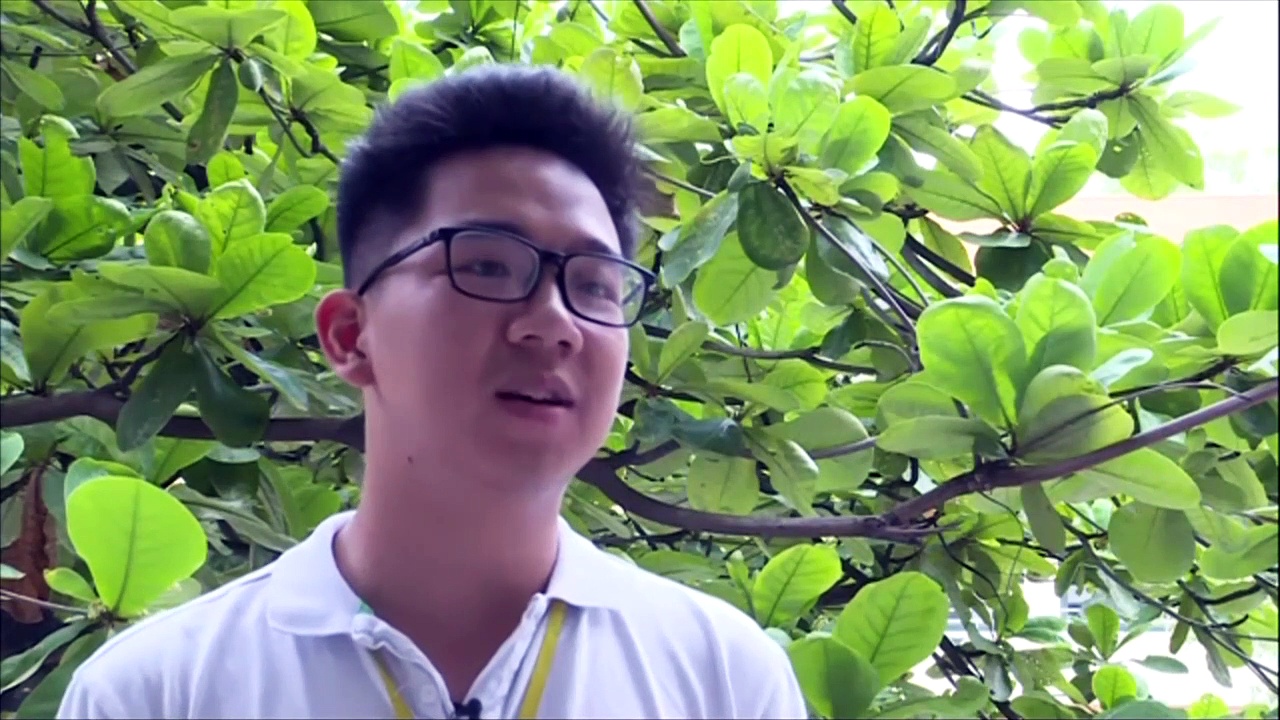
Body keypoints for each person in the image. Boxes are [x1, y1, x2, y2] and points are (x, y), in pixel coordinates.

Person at [56, 64, 809, 719]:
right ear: (350, 336)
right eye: (486, 265)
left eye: (594, 285)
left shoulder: (722, 678)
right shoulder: (157, 691)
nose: (554, 323)